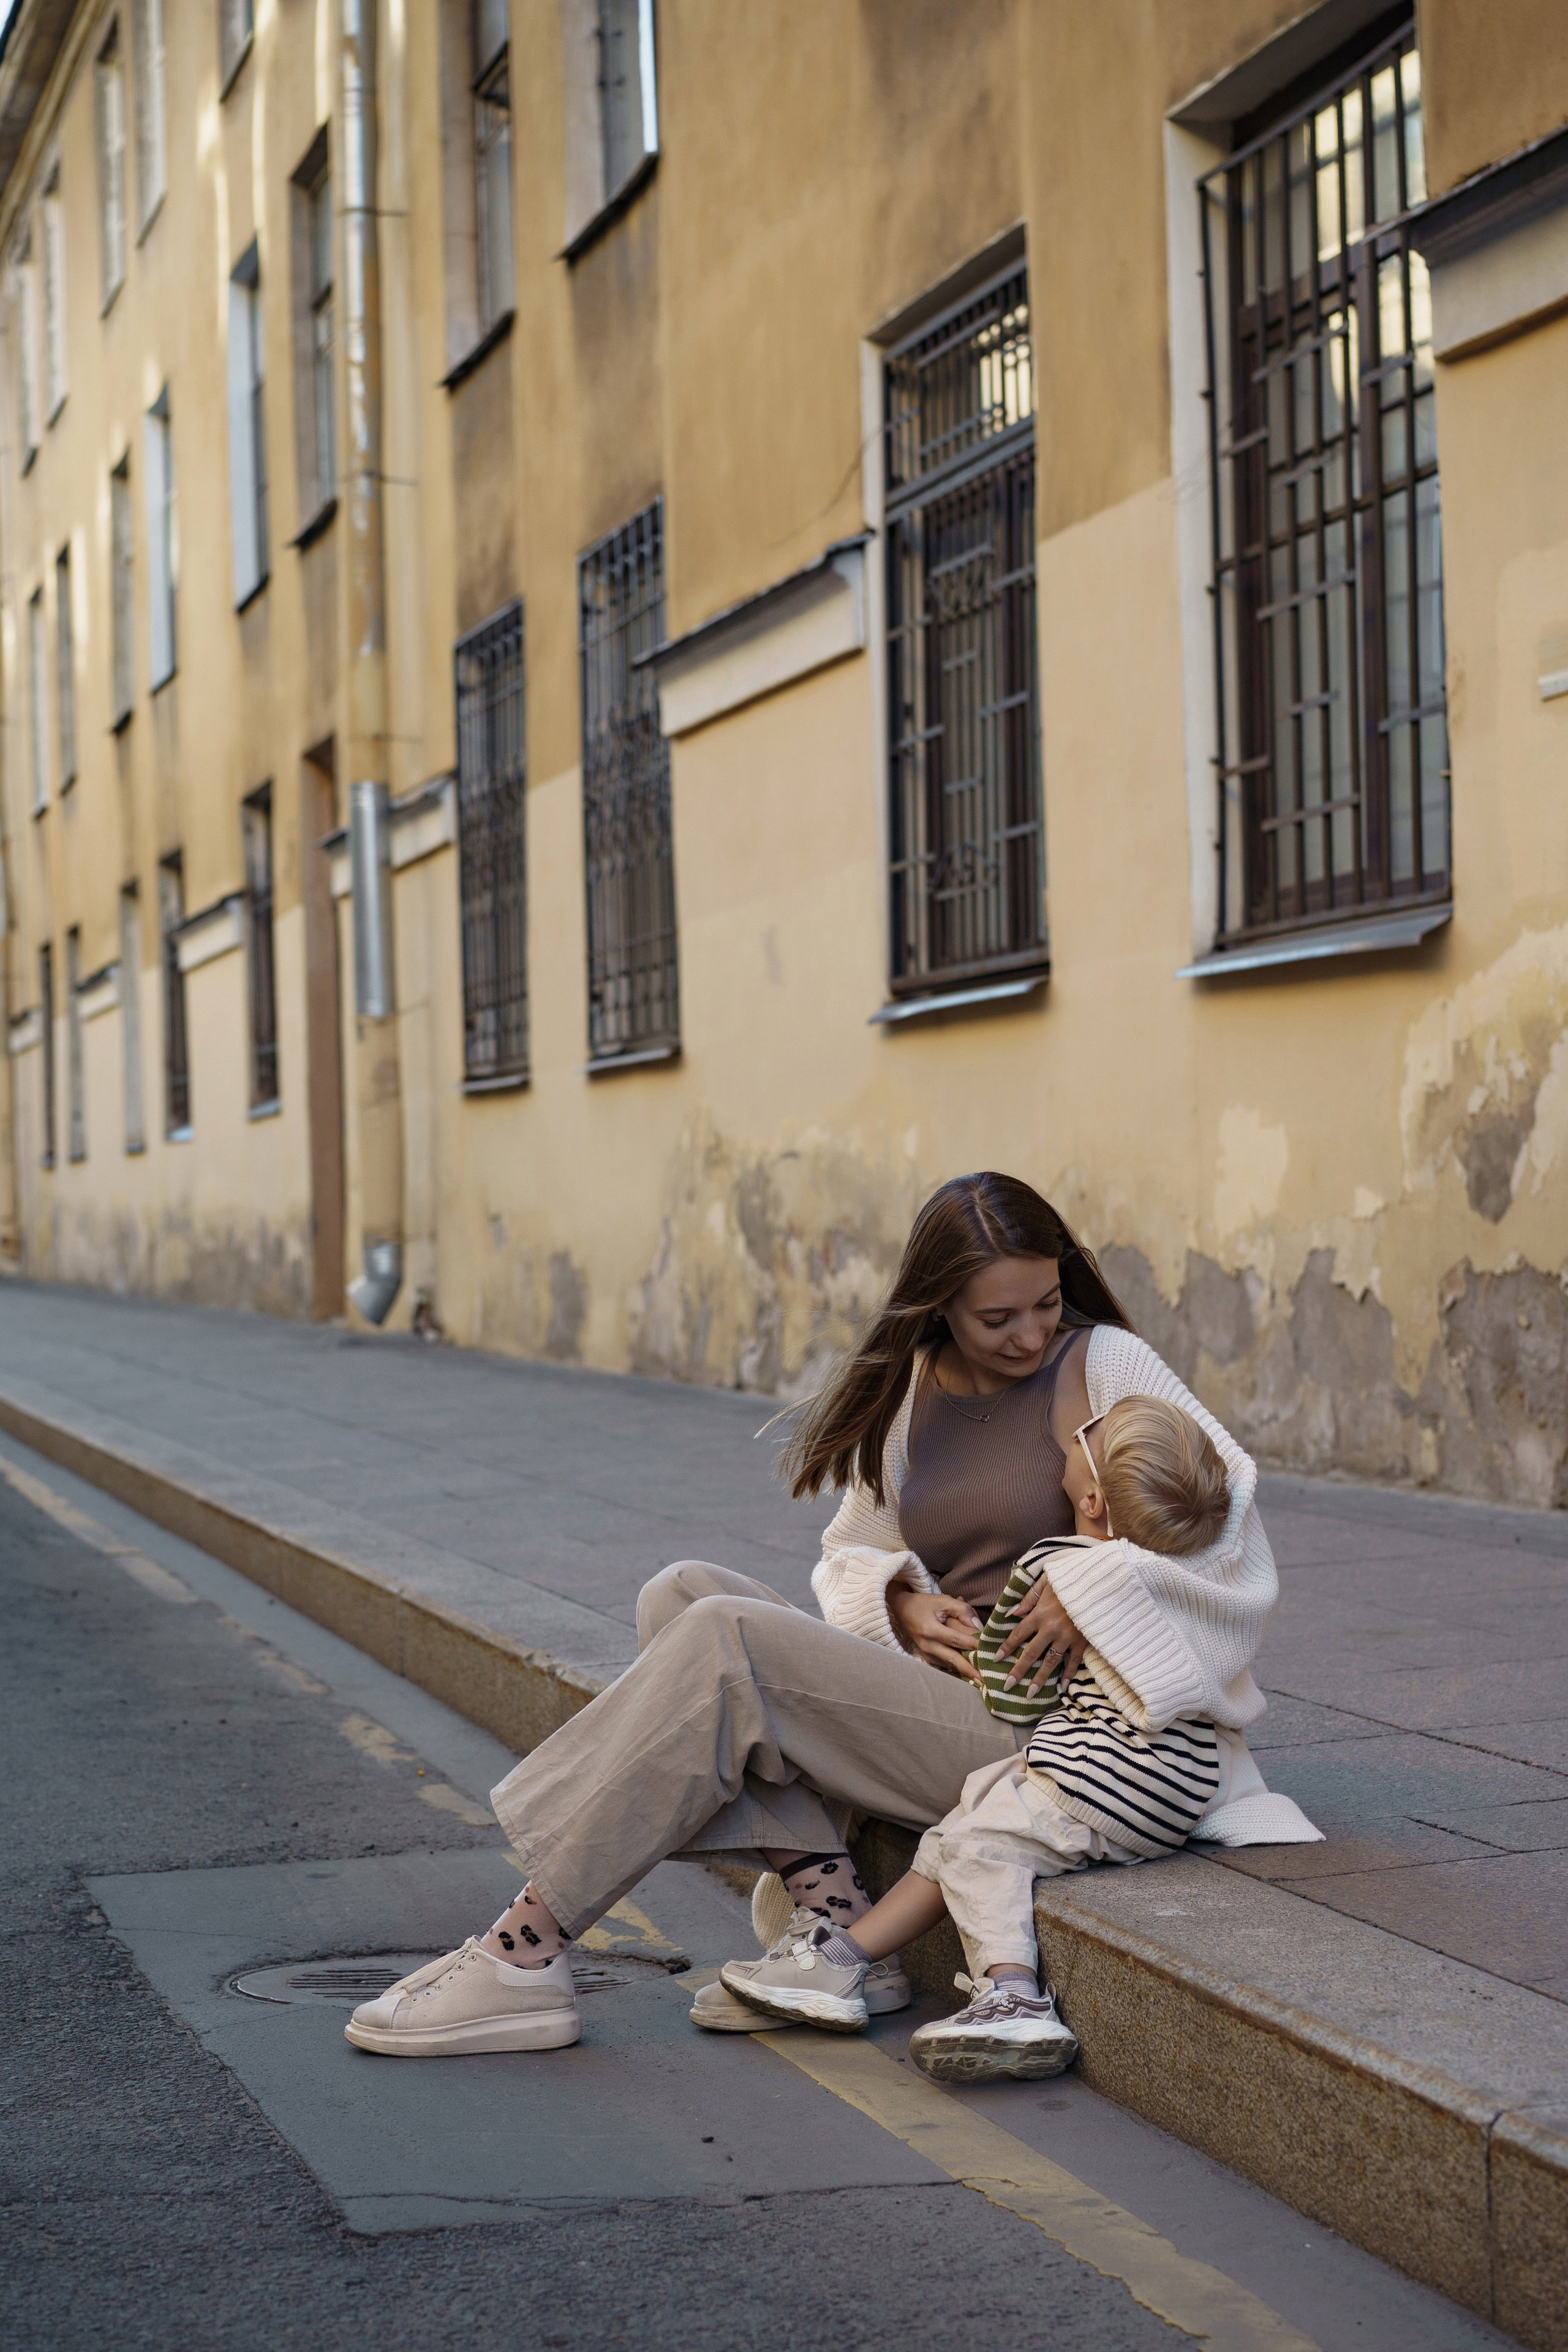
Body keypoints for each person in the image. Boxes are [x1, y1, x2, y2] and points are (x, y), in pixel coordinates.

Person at [345, 1172, 1315, 2061]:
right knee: (681, 1593)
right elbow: (849, 1551)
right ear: (938, 1307)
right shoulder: (915, 1393)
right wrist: (893, 1602)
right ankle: (838, 1920)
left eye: (1047, 1304)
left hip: (1049, 1739)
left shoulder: (1105, 1365)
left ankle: (525, 1949)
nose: (1029, 1336)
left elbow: (1223, 1513)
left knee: (728, 1642)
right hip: (943, 1703)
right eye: (998, 1318)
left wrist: (1098, 1584)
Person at [717, 1395, 1243, 2079]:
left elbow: (1014, 1686)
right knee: (959, 1827)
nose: (1071, 1435)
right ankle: (840, 1963)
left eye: (1085, 1435)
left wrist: (962, 1652)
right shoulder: (1187, 1576)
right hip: (1182, 1783)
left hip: (1098, 1772)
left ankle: (1013, 1997)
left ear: (1089, 1499)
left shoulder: (1056, 1564)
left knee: (975, 1849)